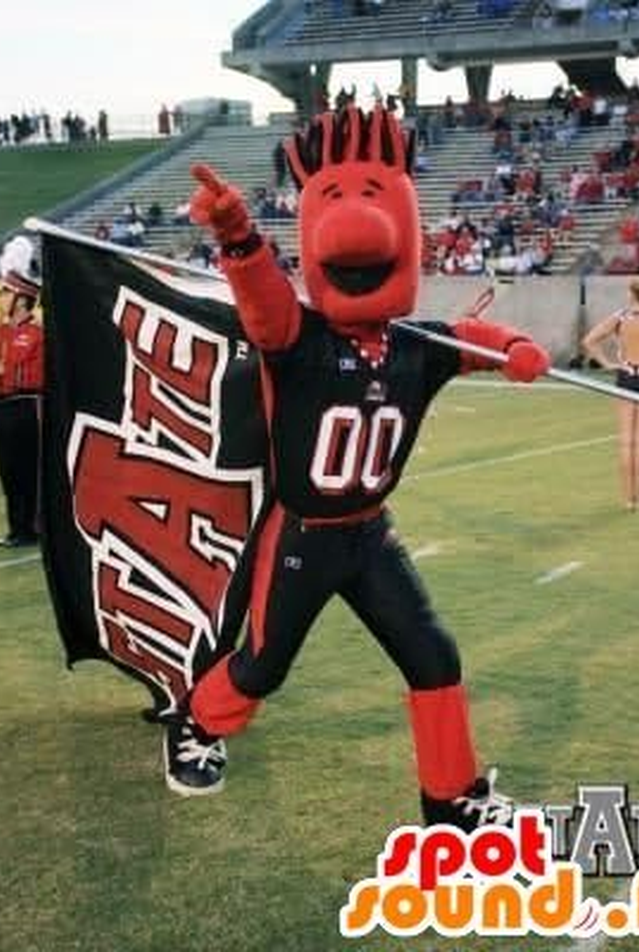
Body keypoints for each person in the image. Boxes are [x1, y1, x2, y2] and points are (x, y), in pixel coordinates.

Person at [170, 105, 551, 831]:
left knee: (432, 655)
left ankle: (451, 796)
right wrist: (237, 235)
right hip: (303, 533)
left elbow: (475, 337)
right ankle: (196, 722)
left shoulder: (414, 346)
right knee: (262, 666)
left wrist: (515, 347)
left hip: (370, 532)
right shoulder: (299, 336)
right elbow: (263, 300)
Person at [582, 277, 639, 511]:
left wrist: (607, 363)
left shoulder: (620, 317)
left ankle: (628, 500)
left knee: (626, 442)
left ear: (631, 293)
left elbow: (589, 341)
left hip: (625, 377)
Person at [0, 237, 44, 547]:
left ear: (22, 299)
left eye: (7, 292)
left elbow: (37, 376)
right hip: (0, 405)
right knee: (7, 470)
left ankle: (32, 527)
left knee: (28, 469)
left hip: (26, 405)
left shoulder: (37, 333)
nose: (2, 297)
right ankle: (15, 528)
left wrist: (5, 370)